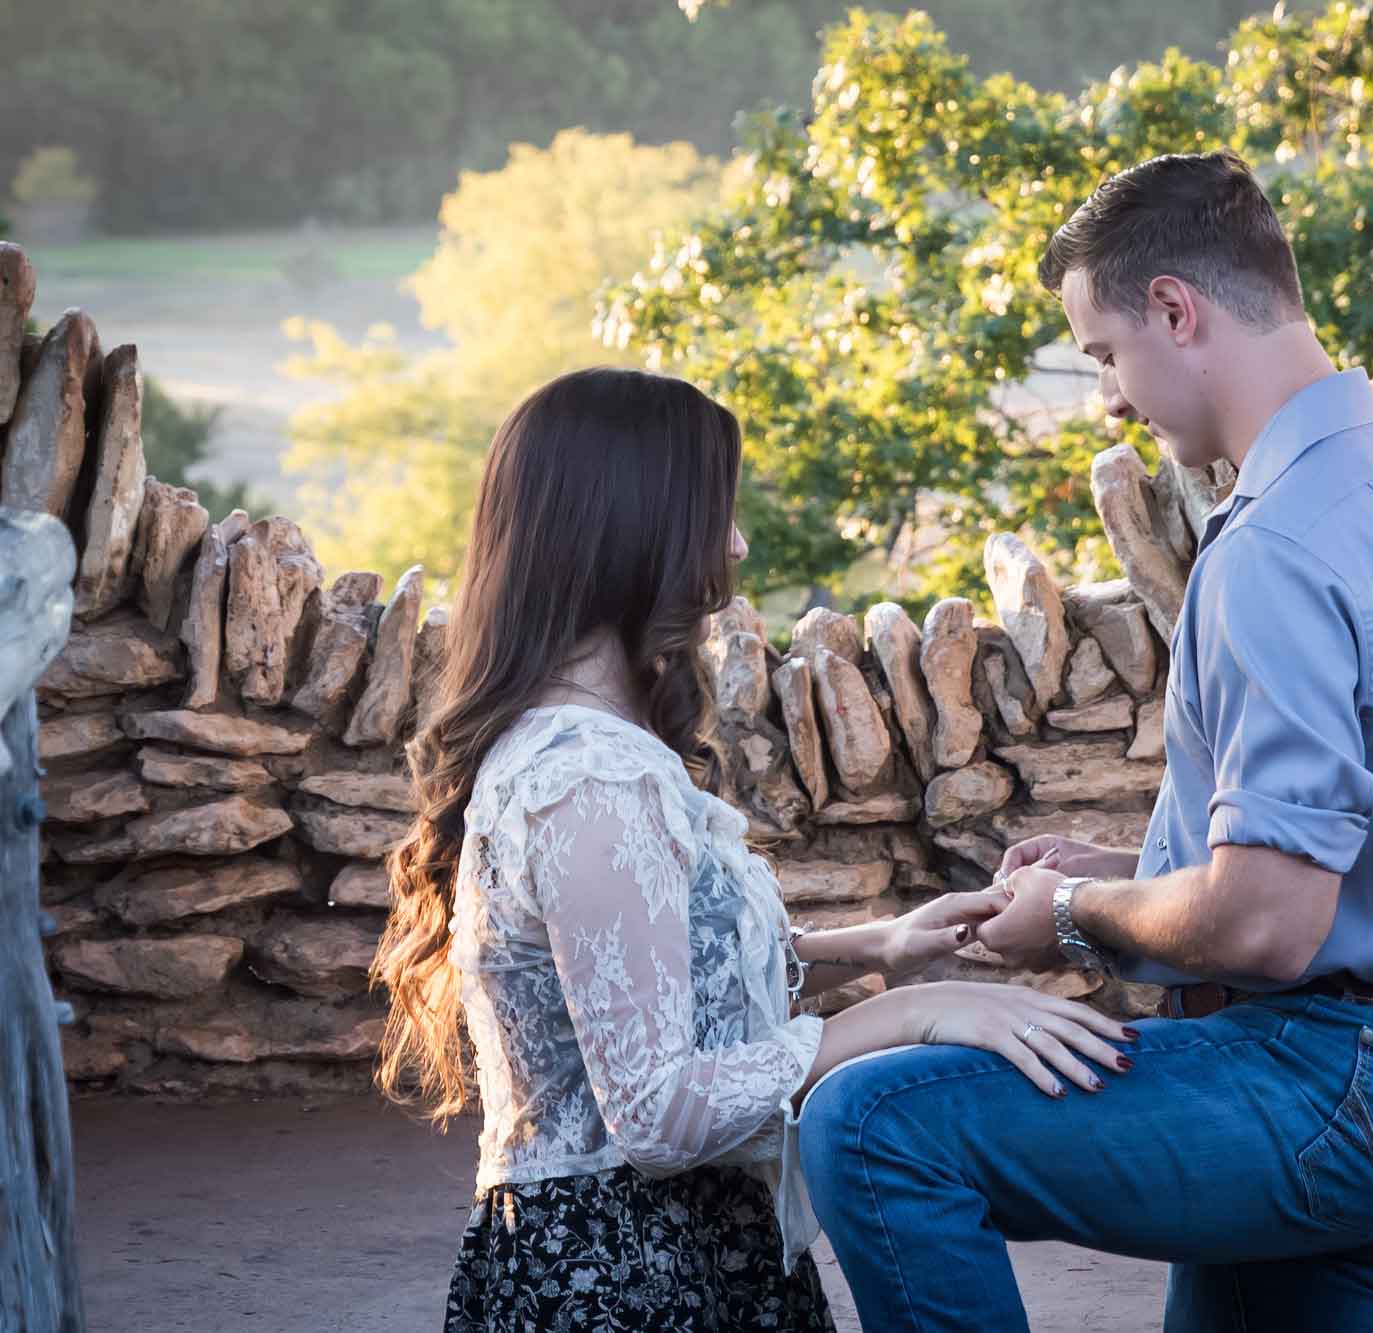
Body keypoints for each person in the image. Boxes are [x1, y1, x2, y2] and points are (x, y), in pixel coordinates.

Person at [799, 150, 1373, 1332]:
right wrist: (1138, 874)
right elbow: (1341, 860)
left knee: (871, 1123)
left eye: (1103, 355)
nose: (1109, 400)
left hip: (1314, 1077)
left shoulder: (1277, 541)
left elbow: (1267, 923)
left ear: (1174, 310)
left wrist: (1073, 917)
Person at [370, 368, 1136, 1332]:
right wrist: (918, 1015)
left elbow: (657, 979)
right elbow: (658, 1113)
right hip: (625, 1277)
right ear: (630, 528)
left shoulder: (582, 750)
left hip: (672, 1248)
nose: (734, 544)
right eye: (713, 514)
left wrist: (880, 946)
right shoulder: (589, 777)